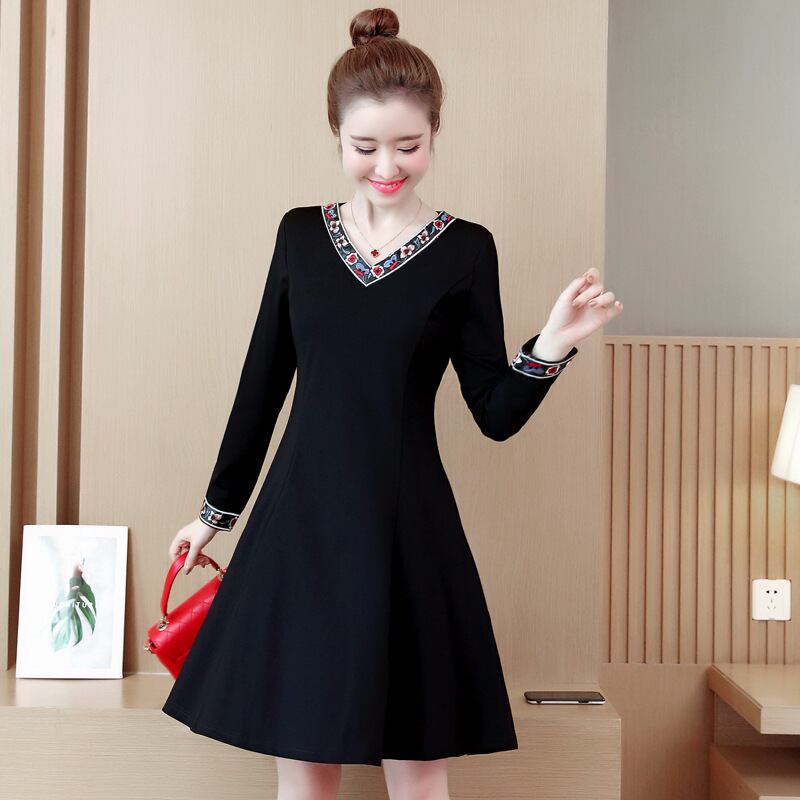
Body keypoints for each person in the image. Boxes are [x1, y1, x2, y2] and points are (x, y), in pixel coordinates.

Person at [161, 7, 623, 799]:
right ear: (336, 135)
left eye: (408, 146)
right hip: (300, 528)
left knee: (418, 770)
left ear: (435, 133)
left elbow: (494, 412)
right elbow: (261, 385)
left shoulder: (466, 248)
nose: (387, 165)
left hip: (407, 532)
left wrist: (551, 343)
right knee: (304, 765)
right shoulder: (300, 236)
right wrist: (214, 515)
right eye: (365, 146)